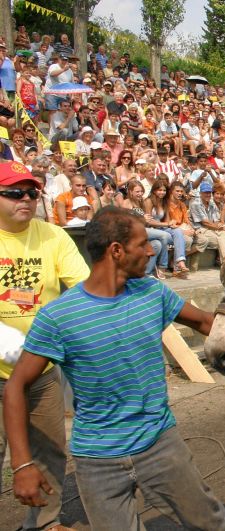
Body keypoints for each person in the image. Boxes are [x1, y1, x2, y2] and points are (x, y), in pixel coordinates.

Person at [3, 207, 225, 531]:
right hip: (97, 462)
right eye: (142, 243)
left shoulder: (152, 292)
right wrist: (22, 464)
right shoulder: (59, 317)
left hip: (160, 445)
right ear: (116, 251)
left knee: (215, 525)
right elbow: (16, 386)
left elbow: (203, 321)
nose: (151, 250)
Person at [0, 161, 88, 531]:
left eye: (32, 192)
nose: (26, 199)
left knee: (51, 449)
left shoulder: (53, 236)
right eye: (14, 192)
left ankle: (45, 522)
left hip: (41, 371)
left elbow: (83, 289)